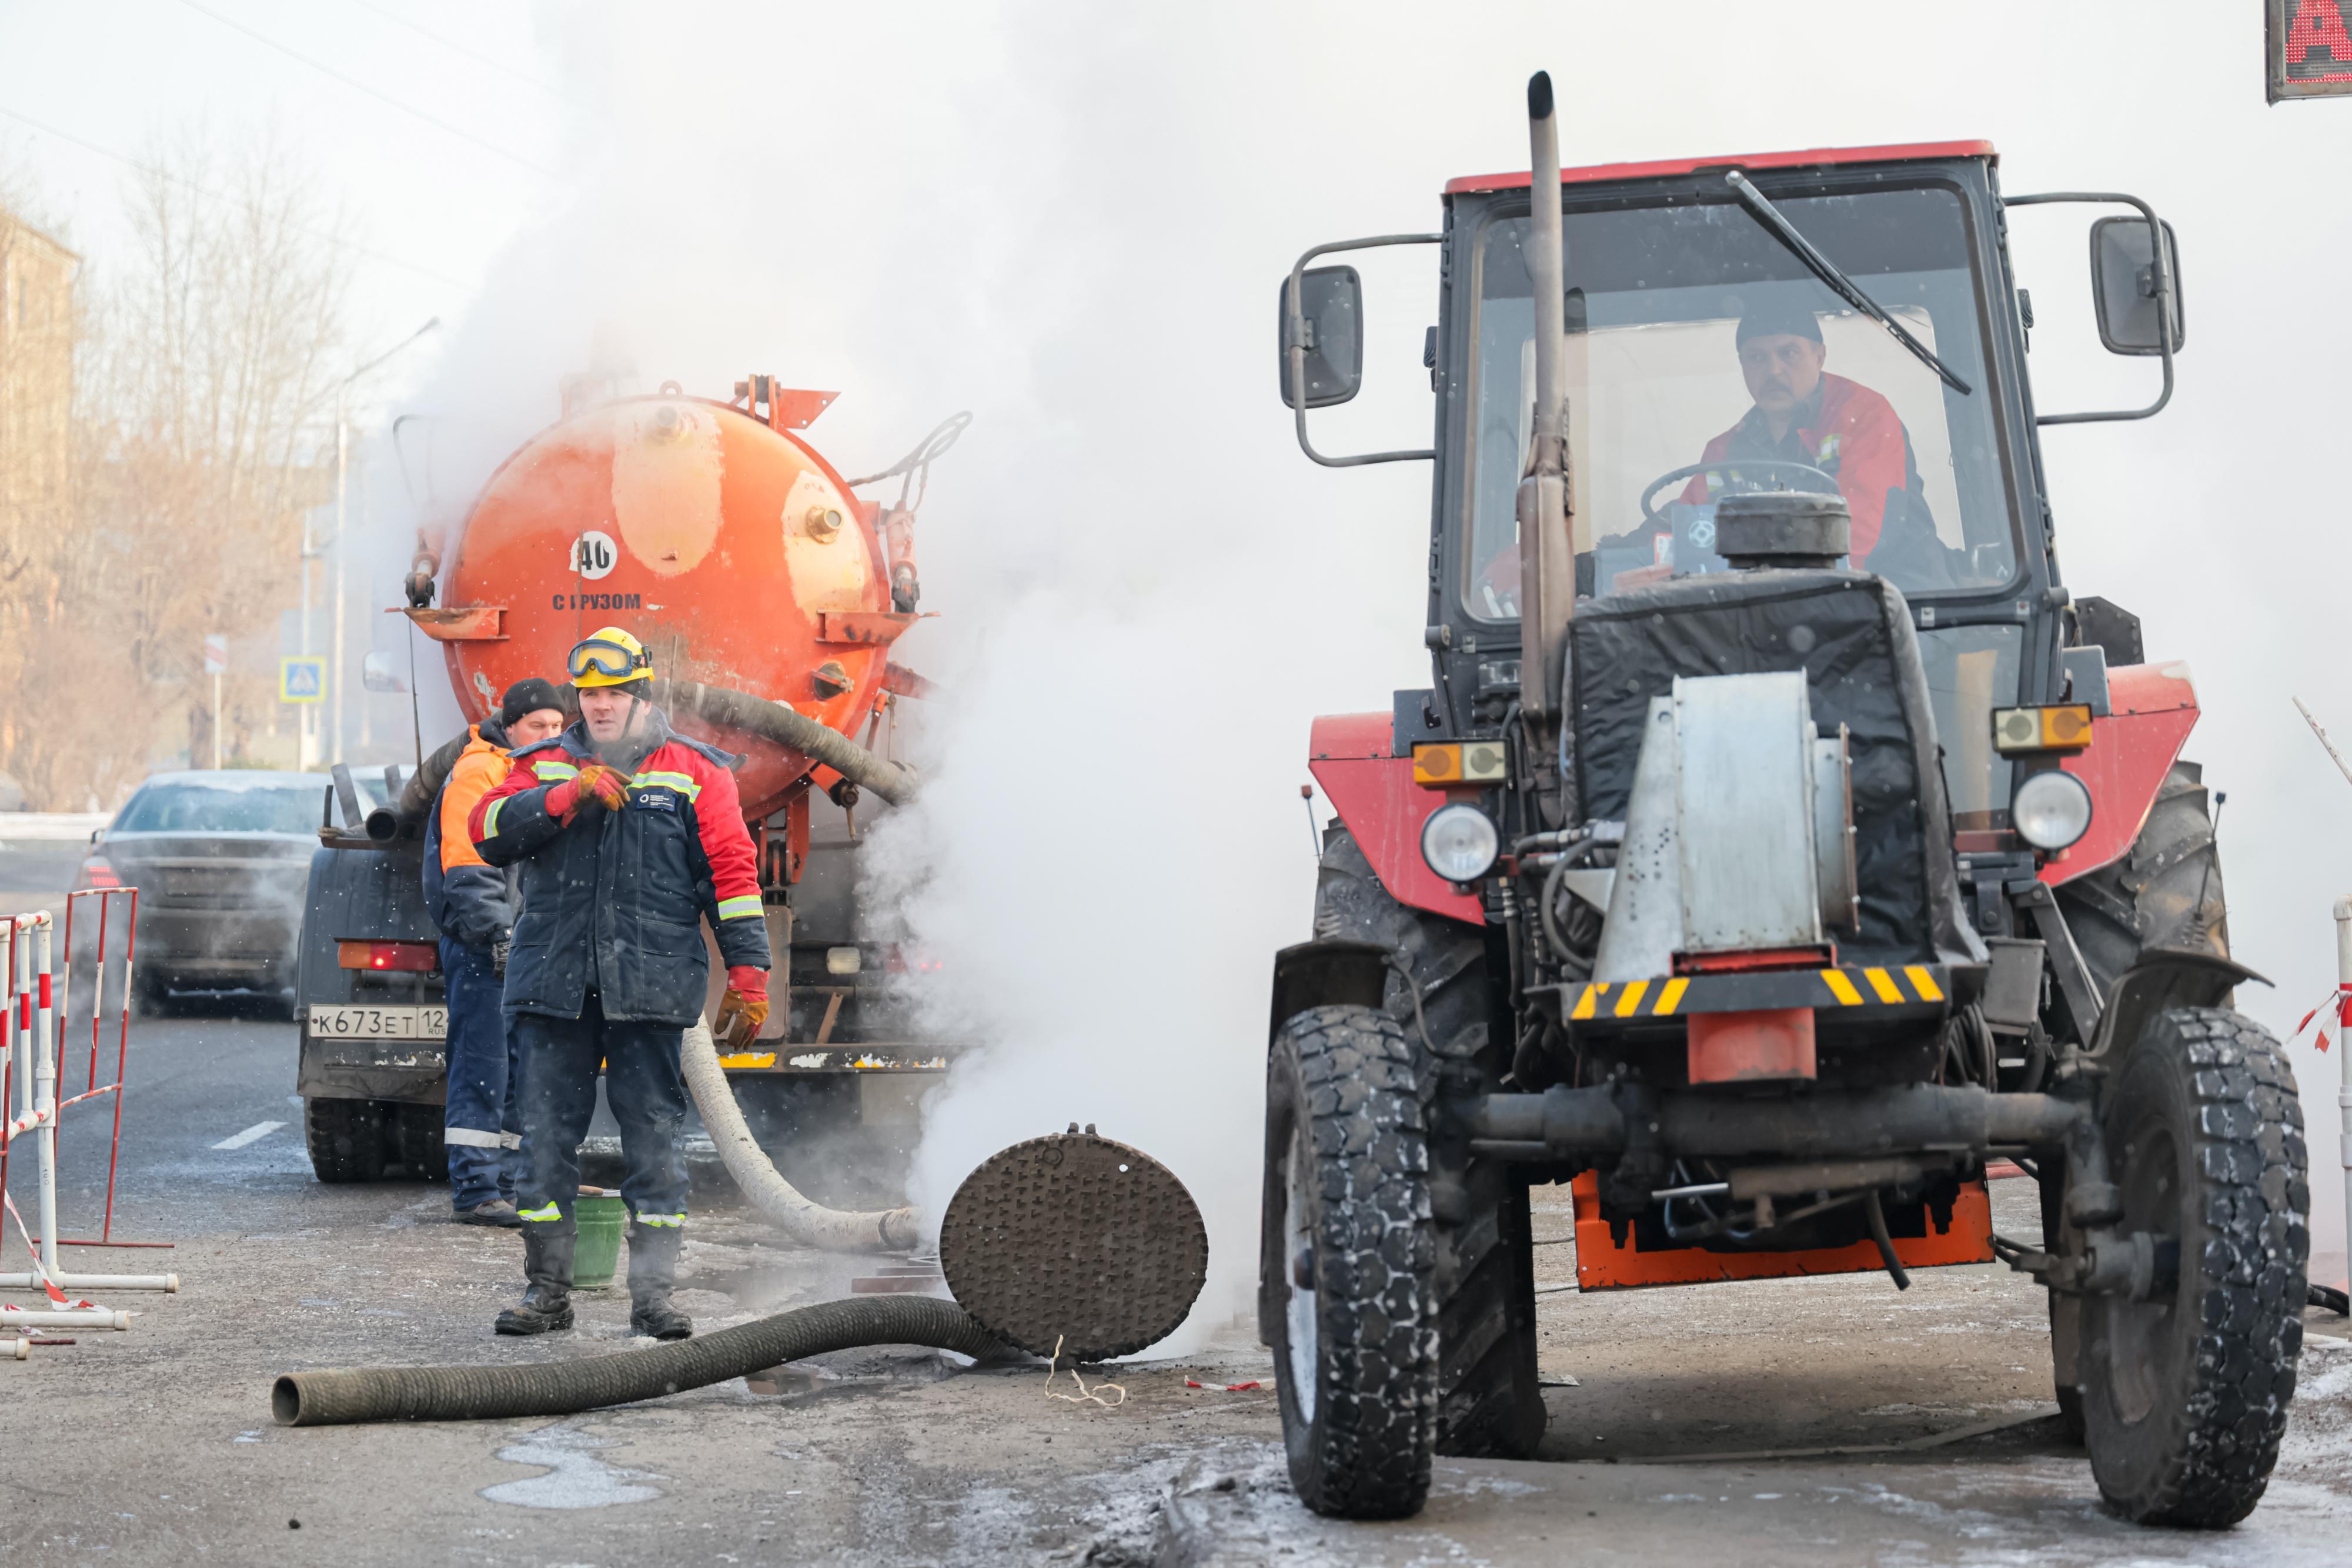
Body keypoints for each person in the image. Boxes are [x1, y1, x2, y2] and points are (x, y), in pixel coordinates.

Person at [469, 627, 771, 1339]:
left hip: (651, 986)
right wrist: (562, 797)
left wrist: (750, 972)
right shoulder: (541, 765)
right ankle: (546, 1293)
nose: (599, 706)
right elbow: (487, 831)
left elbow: (731, 877)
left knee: (655, 1146)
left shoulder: (696, 771)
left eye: (613, 693)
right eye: (589, 694)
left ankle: (653, 1298)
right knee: (544, 1143)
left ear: (639, 693)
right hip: (555, 985)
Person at [422, 677, 569, 1226]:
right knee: (483, 1066)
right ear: (510, 727)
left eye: (558, 726)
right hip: (485, 945)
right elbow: (467, 863)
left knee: (517, 1071)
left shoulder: (536, 770)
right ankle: (477, 1190)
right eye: (538, 726)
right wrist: (498, 933)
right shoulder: (480, 771)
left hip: (523, 943)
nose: (550, 735)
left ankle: (503, 1184)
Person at [1681, 303, 1926, 564]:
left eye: (1789, 353)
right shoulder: (1724, 451)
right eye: (1756, 357)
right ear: (1742, 365)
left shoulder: (1864, 417)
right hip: (1773, 597)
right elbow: (1684, 532)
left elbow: (1860, 537)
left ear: (1819, 357)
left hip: (1896, 595)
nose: (1773, 370)